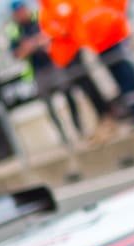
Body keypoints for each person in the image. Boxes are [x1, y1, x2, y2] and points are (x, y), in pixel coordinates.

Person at [8, 0, 114, 143]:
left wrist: (38, 41)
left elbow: (54, 32)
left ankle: (84, 126)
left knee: (72, 92)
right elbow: (17, 53)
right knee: (52, 103)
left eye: (22, 10)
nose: (21, 14)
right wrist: (29, 47)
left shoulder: (40, 18)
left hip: (57, 63)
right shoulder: (16, 31)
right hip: (41, 71)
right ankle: (67, 136)